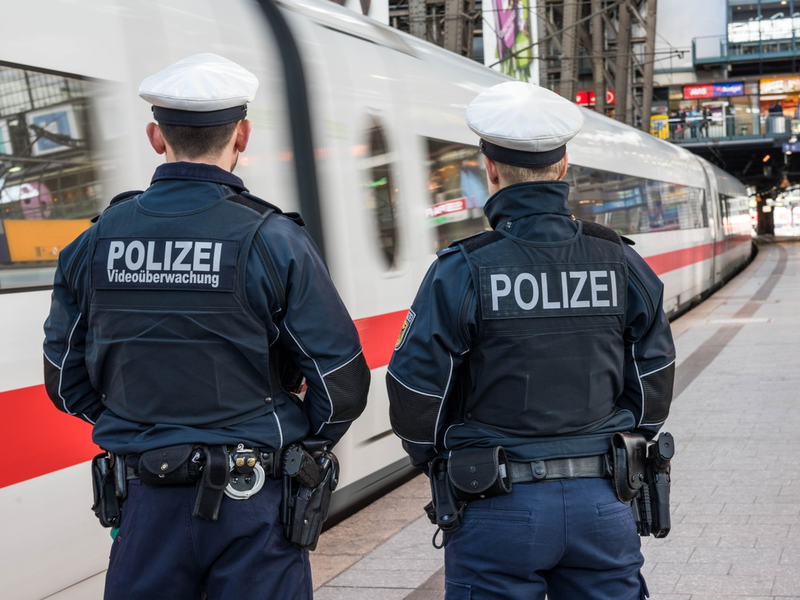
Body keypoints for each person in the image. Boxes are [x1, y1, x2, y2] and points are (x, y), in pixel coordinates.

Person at [43, 53, 370, 600]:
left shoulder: (94, 241)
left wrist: (134, 426)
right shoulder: (274, 239)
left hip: (144, 502)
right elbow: (342, 383)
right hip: (255, 504)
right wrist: (299, 446)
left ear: (155, 136)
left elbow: (63, 379)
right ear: (242, 135)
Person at [386, 81, 675, 600]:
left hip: (496, 505)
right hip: (604, 498)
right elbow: (653, 374)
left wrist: (434, 454)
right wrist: (627, 435)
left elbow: (416, 391)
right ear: (563, 167)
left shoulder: (463, 268)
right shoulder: (620, 261)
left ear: (490, 169)